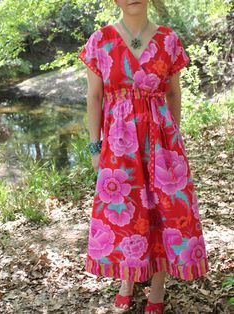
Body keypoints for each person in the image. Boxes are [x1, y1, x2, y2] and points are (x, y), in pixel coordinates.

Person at [78, 0, 210, 313]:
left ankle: (158, 286)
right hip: (119, 145)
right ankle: (127, 278)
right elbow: (94, 97)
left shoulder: (168, 39)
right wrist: (95, 147)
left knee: (165, 213)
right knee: (126, 212)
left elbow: (174, 94)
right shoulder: (100, 40)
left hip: (163, 144)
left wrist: (173, 138)